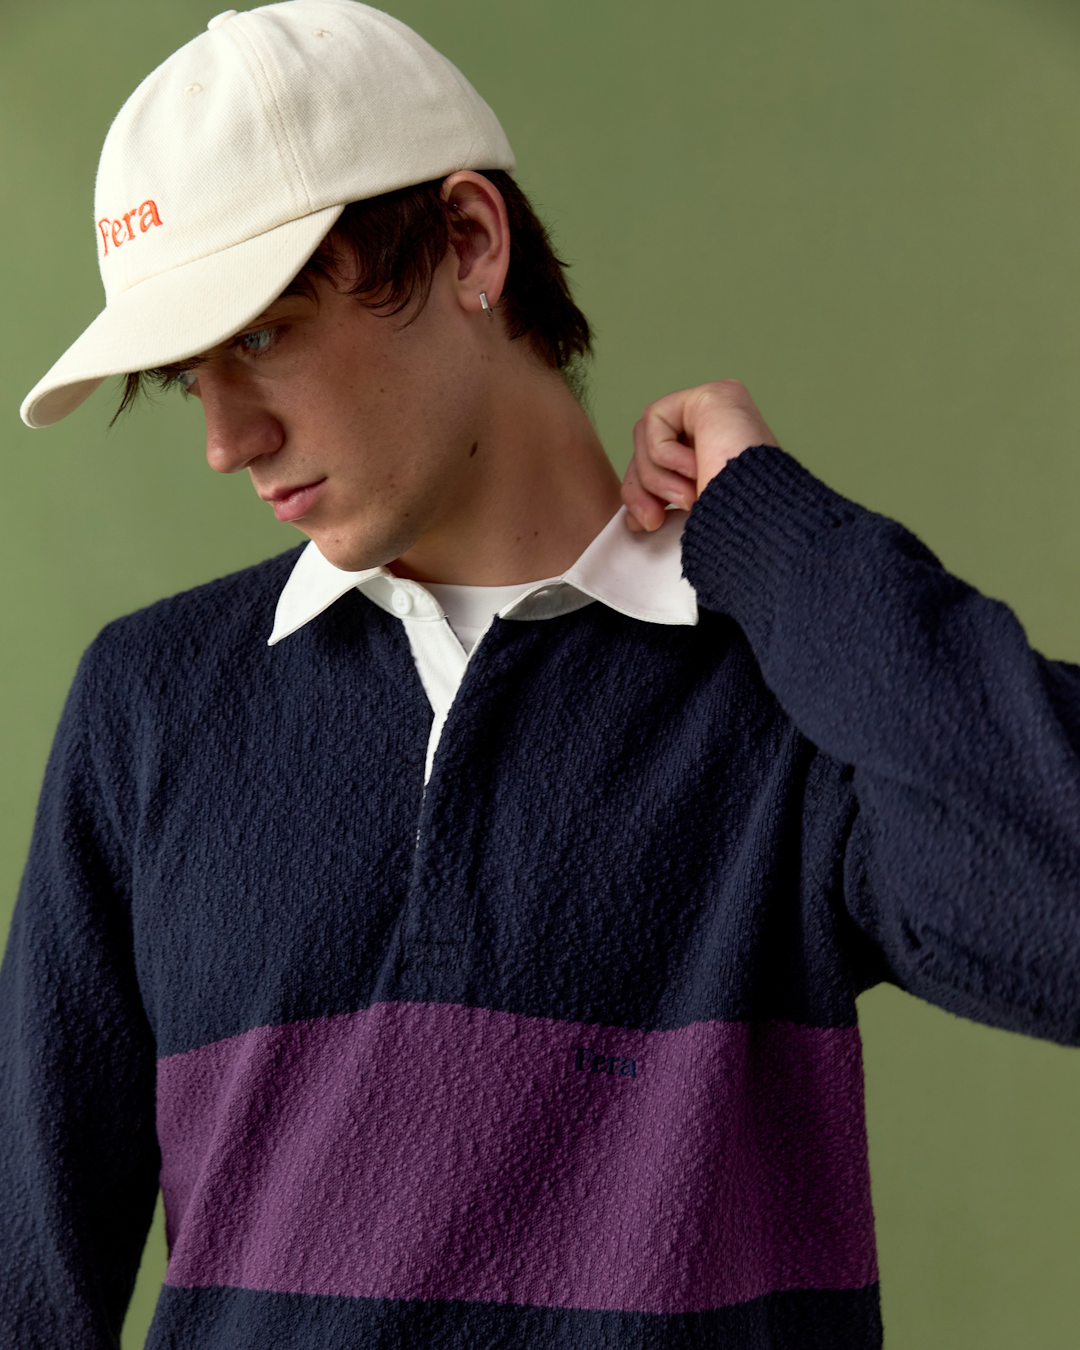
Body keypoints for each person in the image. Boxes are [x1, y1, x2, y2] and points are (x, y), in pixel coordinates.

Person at [3, 2, 1080, 1347]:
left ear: (469, 243)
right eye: (187, 378)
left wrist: (776, 532)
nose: (226, 437)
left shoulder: (778, 694)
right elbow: (28, 1281)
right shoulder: (148, 707)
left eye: (265, 334)